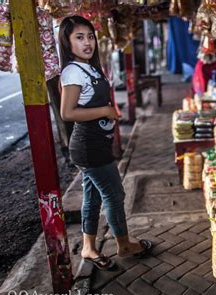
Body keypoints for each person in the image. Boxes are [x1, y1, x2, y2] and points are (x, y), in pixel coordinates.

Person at [59, 15, 151, 270]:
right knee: (114, 194)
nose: (87, 42)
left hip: (95, 144)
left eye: (90, 36)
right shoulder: (72, 72)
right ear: (67, 43)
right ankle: (124, 244)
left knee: (92, 196)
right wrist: (105, 111)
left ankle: (88, 248)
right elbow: (67, 113)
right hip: (88, 146)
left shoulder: (88, 67)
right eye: (79, 37)